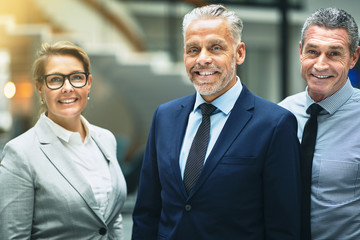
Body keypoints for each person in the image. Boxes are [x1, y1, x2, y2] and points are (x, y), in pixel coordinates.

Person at [132, 4, 301, 240]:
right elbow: (146, 213)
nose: (203, 59)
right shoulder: (165, 116)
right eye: (193, 49)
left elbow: (283, 225)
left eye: (215, 48)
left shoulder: (275, 124)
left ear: (239, 53)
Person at [0, 41, 127, 239]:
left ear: (88, 83)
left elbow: (112, 221)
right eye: (55, 79)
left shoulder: (106, 139)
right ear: (40, 88)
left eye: (77, 77)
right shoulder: (20, 153)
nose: (67, 88)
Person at [279, 8, 360, 240]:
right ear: (300, 52)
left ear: (353, 57)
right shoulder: (280, 114)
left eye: (334, 54)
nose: (321, 65)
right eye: (312, 51)